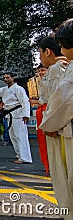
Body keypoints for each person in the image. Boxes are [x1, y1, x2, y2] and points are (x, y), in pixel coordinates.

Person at [39, 19, 73, 218]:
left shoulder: (60, 69)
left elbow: (62, 99)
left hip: (62, 125)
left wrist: (49, 124)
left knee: (63, 173)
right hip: (60, 121)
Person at [29, 63, 51, 176]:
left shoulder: (53, 81)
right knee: (43, 142)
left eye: (43, 70)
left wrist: (36, 102)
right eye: (39, 71)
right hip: (41, 112)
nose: (41, 73)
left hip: (49, 111)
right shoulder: (41, 83)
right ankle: (47, 167)